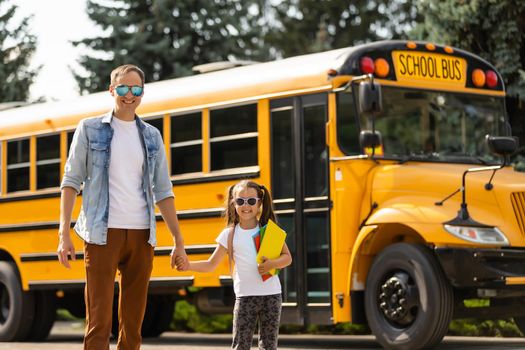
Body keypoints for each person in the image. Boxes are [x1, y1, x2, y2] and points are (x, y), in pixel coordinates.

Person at [57, 64, 188, 350]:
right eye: (124, 88)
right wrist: (63, 233)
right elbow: (71, 180)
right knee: (99, 321)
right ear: (112, 90)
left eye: (136, 89)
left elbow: (163, 191)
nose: (130, 95)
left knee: (133, 326)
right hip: (102, 233)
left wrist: (178, 240)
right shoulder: (90, 129)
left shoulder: (152, 136)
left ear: (142, 92)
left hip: (142, 236)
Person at [176, 180, 292, 350]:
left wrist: (272, 264)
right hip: (245, 297)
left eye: (251, 201)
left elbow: (287, 257)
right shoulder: (229, 234)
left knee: (269, 346)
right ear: (233, 203)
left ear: (259, 203)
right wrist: (188, 265)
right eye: (240, 201)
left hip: (272, 296)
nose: (246, 206)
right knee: (240, 344)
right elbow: (211, 264)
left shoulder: (268, 230)